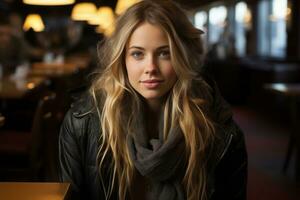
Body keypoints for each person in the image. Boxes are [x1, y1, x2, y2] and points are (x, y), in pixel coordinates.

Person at [58, 1, 247, 200]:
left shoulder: (222, 134)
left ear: (183, 57)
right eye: (137, 54)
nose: (151, 67)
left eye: (164, 53)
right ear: (122, 59)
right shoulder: (82, 123)